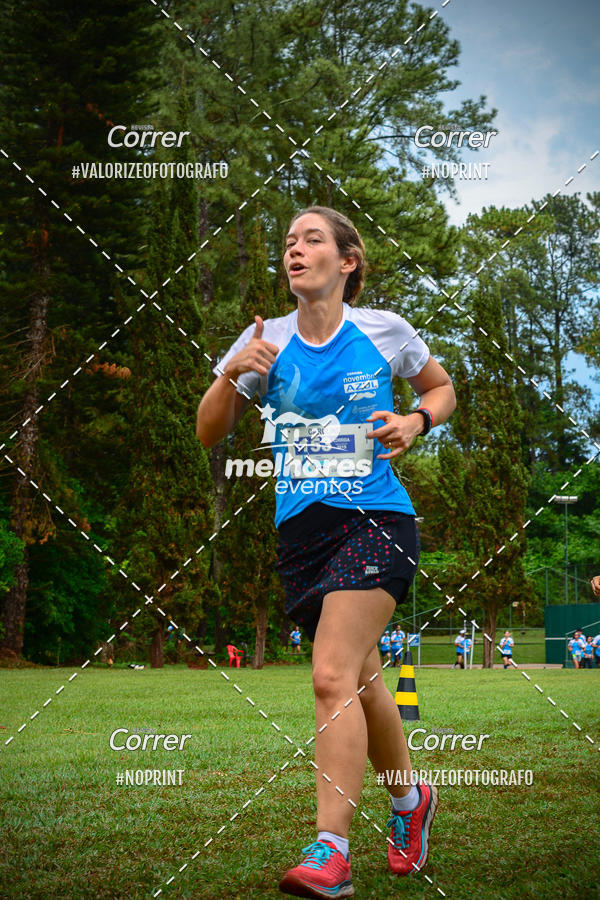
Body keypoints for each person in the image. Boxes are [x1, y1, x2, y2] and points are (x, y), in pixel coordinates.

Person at [196, 204, 456, 898]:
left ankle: (330, 853)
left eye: (312, 239)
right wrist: (230, 376)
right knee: (364, 684)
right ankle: (411, 802)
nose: (294, 249)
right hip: (301, 534)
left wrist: (415, 419)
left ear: (347, 261)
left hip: (375, 519)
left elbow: (441, 385)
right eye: (288, 241)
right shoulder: (263, 341)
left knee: (329, 676)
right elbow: (207, 432)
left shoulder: (383, 330)